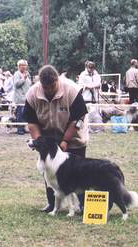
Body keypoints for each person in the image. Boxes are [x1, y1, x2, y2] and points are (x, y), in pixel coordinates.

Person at [24, 65, 89, 213]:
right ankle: (53, 204)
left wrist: (65, 141)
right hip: (48, 138)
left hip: (74, 136)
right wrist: (39, 143)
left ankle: (82, 205)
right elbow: (32, 122)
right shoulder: (32, 94)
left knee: (77, 171)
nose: (49, 90)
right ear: (41, 83)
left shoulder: (72, 90)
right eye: (45, 87)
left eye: (52, 86)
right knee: (49, 171)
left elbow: (77, 120)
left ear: (57, 80)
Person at [13, 60, 32, 135]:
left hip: (27, 97)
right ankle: (19, 129)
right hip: (20, 98)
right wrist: (23, 79)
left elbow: (29, 83)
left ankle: (24, 128)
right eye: (23, 65)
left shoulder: (27, 74)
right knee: (20, 114)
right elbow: (16, 84)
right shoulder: (16, 74)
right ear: (19, 66)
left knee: (25, 114)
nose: (25, 67)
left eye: (25, 65)